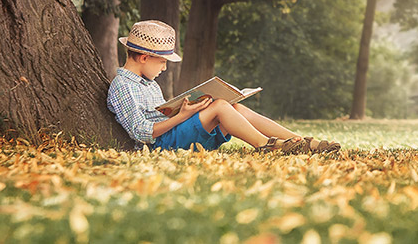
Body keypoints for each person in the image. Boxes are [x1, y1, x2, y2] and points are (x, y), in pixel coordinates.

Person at [107, 20, 340, 154]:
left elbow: (161, 116)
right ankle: (265, 146)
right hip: (161, 144)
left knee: (234, 107)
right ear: (145, 58)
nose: (165, 68)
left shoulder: (148, 84)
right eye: (162, 62)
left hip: (173, 133)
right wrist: (184, 116)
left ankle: (301, 142)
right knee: (219, 106)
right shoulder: (123, 86)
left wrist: (186, 109)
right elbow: (141, 133)